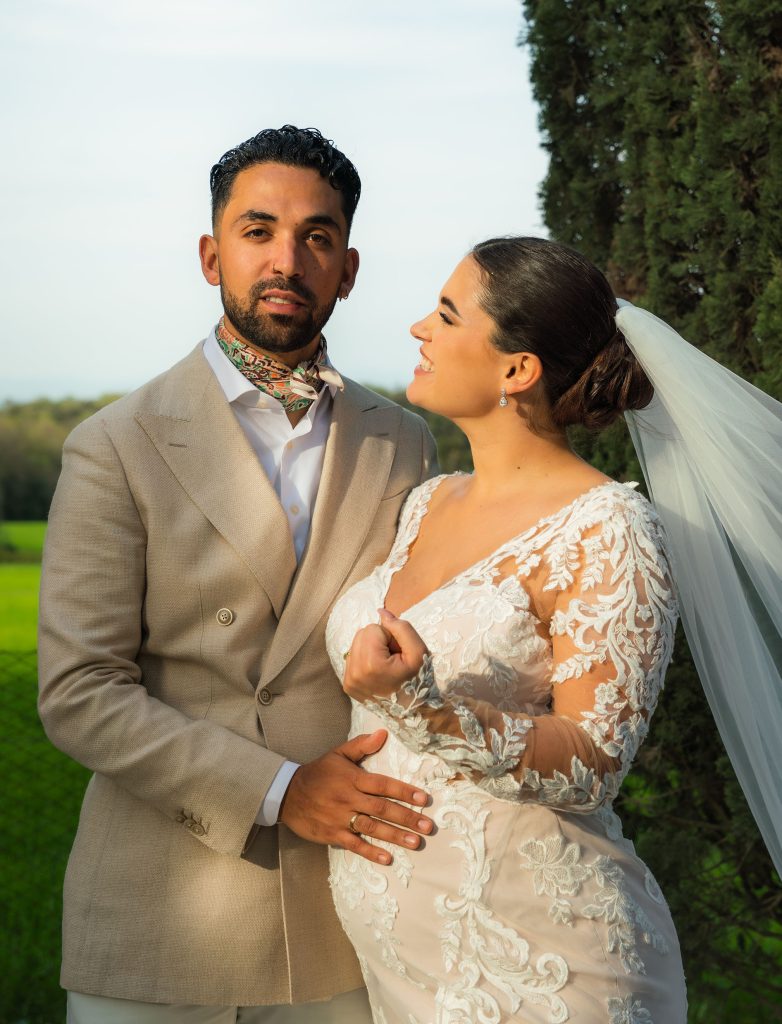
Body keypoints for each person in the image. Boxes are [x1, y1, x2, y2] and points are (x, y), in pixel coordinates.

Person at [37, 126, 438, 1024]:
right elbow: (78, 692)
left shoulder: (404, 440)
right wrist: (281, 788)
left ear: (350, 267)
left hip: (349, 910)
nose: (287, 259)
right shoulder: (115, 444)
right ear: (213, 253)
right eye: (259, 231)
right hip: (165, 912)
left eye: (318, 238)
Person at [326, 237, 691, 1023]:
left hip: (543, 969)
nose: (420, 328)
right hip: (399, 966)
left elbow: (594, 763)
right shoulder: (430, 501)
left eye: (448, 314)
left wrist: (421, 707)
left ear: (516, 369)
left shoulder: (608, 527)